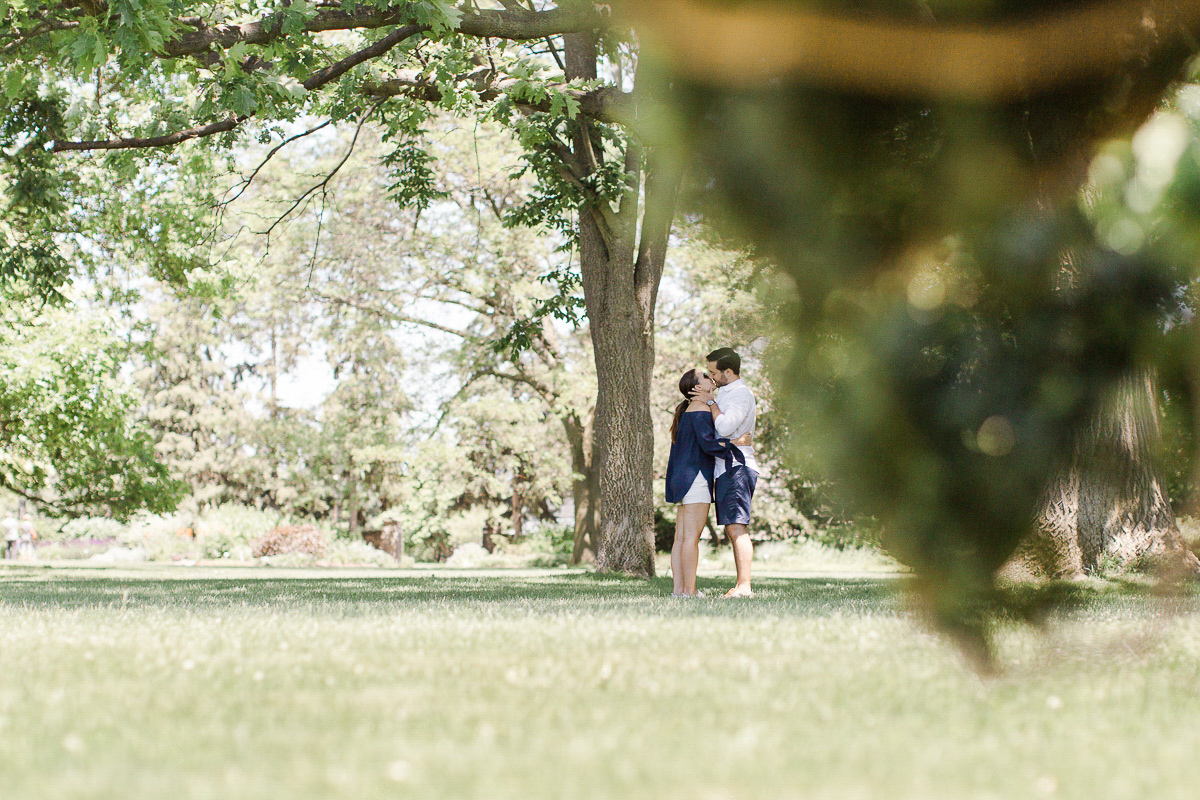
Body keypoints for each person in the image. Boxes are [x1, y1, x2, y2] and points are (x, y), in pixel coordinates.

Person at [665, 368, 742, 597]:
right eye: (706, 377)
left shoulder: (687, 410)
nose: (712, 379)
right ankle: (689, 590)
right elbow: (709, 445)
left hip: (682, 480)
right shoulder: (700, 410)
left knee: (681, 538)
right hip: (695, 479)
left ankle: (679, 590)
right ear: (697, 387)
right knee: (691, 538)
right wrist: (736, 443)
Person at [690, 347, 760, 598]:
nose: (711, 378)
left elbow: (726, 426)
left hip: (737, 468)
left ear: (728, 372)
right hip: (726, 467)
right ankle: (741, 585)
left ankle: (744, 587)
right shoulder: (726, 394)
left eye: (714, 373)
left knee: (736, 527)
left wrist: (710, 403)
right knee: (732, 526)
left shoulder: (739, 394)